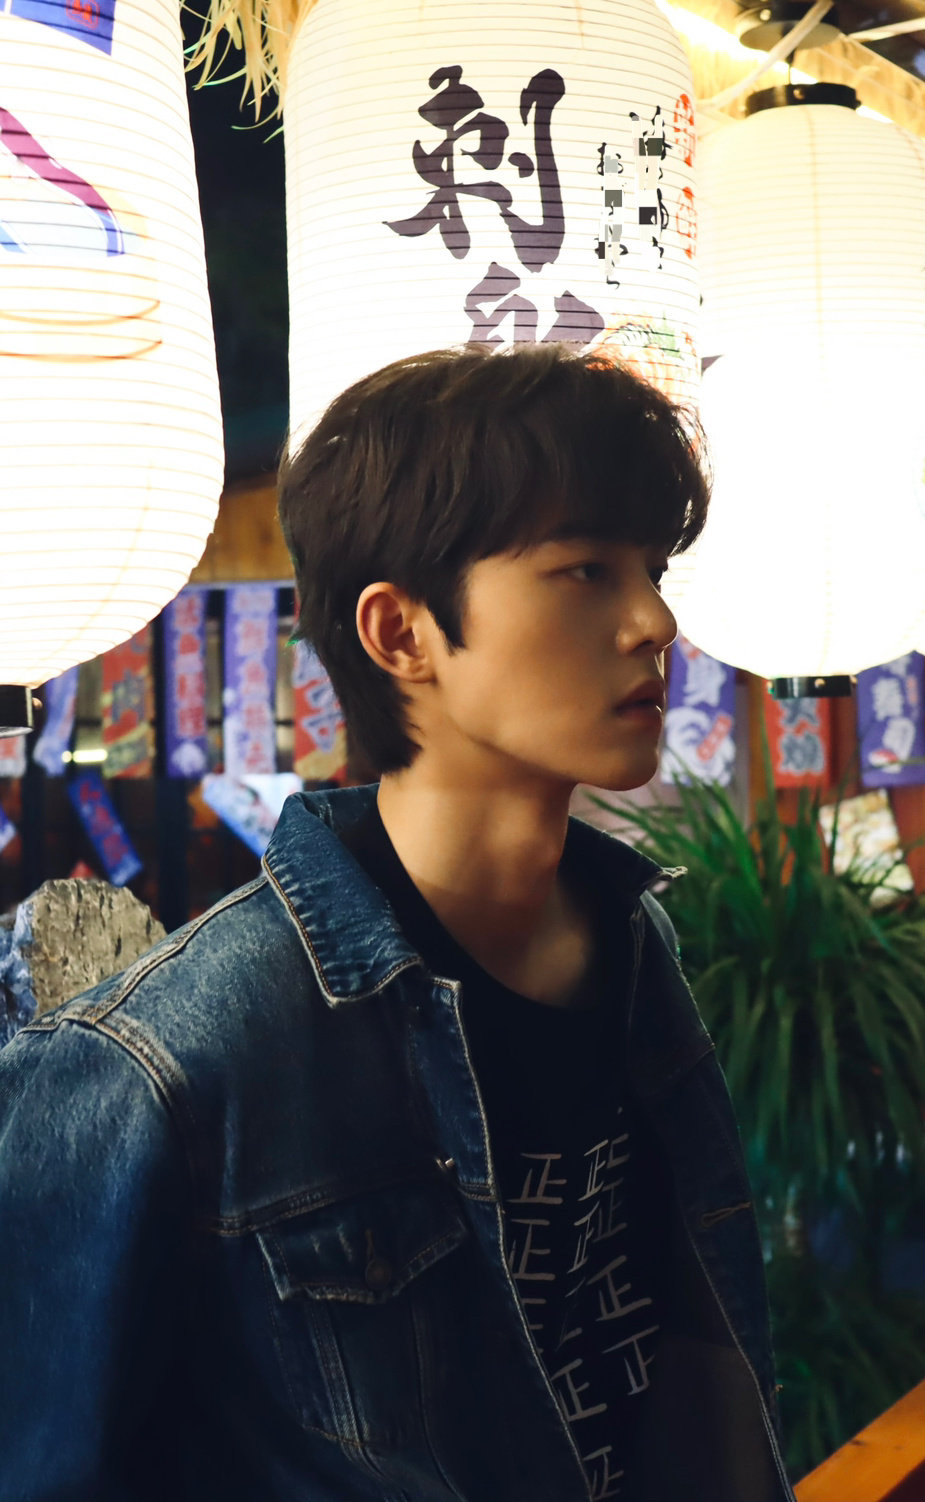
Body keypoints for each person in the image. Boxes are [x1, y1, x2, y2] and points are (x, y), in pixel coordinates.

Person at [0, 344, 793, 1502]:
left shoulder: (632, 941)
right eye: (585, 570)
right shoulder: (163, 1059)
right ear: (401, 632)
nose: (655, 620)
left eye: (652, 568)